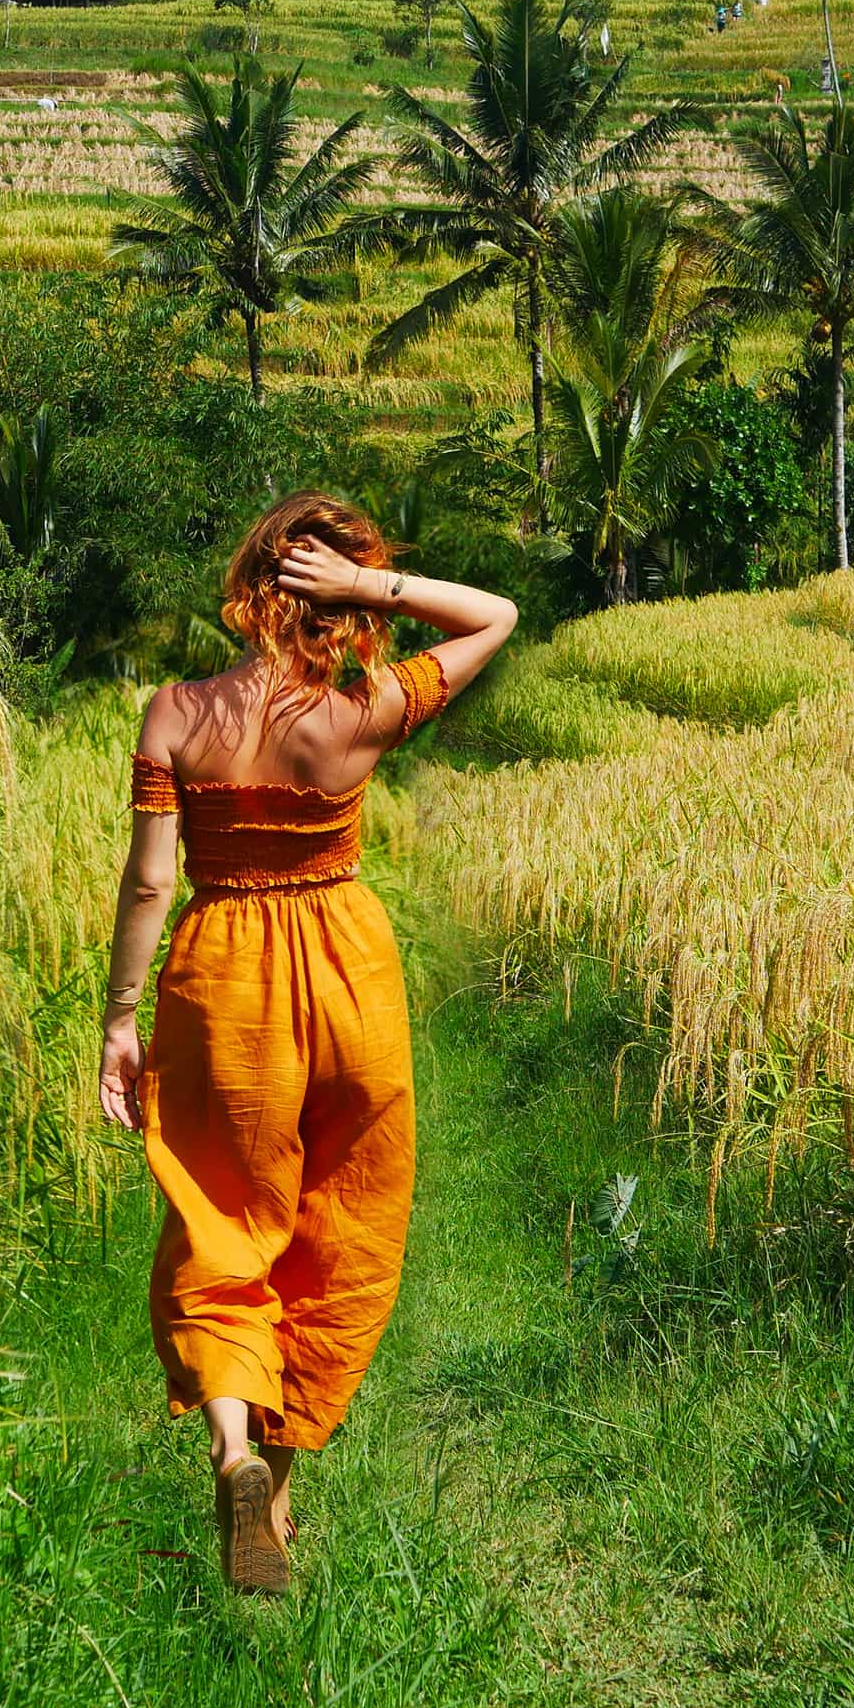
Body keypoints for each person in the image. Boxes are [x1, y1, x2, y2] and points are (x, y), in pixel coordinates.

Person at [99, 494, 517, 1595]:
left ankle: (236, 1454)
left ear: (245, 589)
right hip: (348, 971)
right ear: (328, 601)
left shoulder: (175, 715)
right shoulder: (362, 710)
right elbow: (494, 615)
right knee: (333, 1230)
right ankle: (271, 1522)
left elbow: (150, 879)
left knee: (223, 1219)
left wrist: (118, 1020)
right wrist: (367, 588)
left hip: (222, 974)